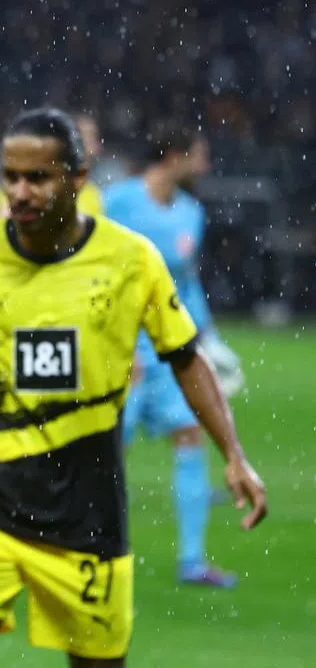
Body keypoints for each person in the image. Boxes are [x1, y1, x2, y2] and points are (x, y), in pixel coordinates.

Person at [0, 107, 267, 668]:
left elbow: (187, 360)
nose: (20, 192)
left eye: (38, 177)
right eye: (10, 177)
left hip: (87, 505)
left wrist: (233, 454)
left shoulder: (130, 260)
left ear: (78, 177)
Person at [103, 122, 245, 587]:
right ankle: (96, 549)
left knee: (190, 434)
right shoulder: (118, 202)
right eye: (198, 154)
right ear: (174, 154)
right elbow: (95, 270)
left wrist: (208, 338)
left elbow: (186, 284)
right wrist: (112, 338)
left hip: (168, 349)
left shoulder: (191, 213)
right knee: (105, 452)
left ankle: (191, 561)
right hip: (123, 349)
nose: (204, 164)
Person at [0, 112, 103, 218]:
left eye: (92, 138)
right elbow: (5, 227)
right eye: (84, 138)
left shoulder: (93, 195)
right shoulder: (15, 187)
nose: (21, 195)